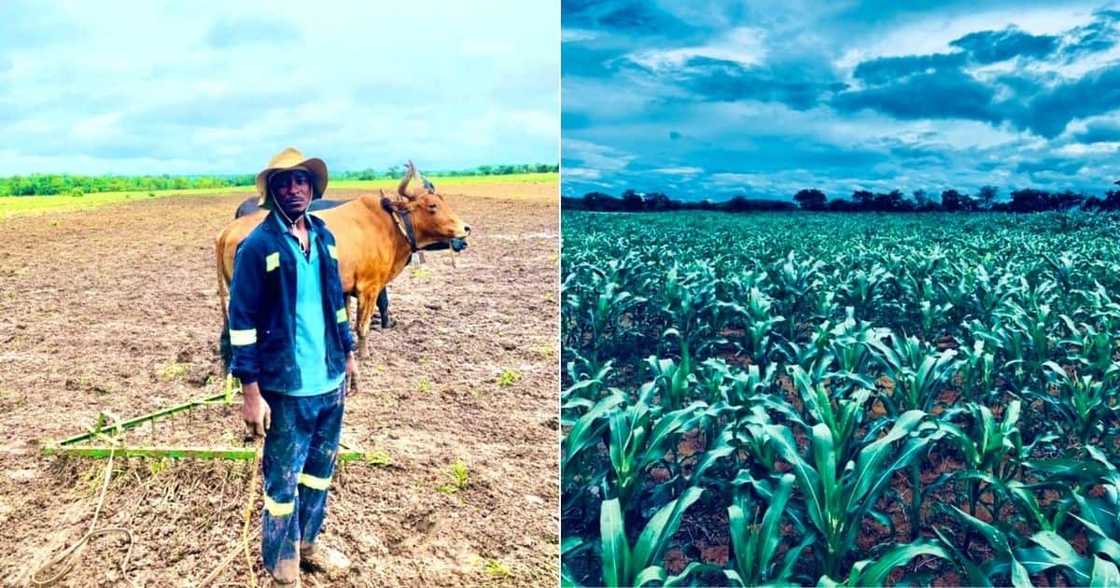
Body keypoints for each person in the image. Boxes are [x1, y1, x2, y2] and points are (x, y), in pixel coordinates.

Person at [227, 147, 357, 585]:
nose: (294, 188)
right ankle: (282, 563)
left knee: (320, 471)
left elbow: (336, 304)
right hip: (285, 387)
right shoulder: (257, 246)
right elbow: (240, 324)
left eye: (301, 180)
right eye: (283, 182)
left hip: (331, 379)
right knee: (282, 483)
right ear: (272, 192)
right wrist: (250, 392)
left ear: (313, 187)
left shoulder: (324, 237)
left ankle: (308, 544)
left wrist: (349, 352)